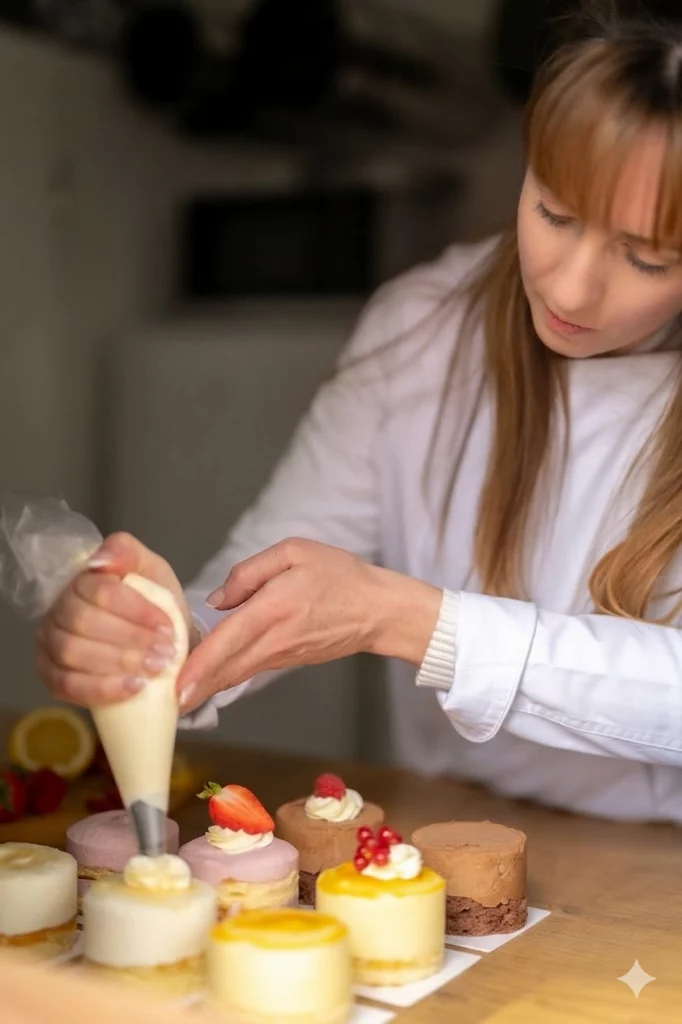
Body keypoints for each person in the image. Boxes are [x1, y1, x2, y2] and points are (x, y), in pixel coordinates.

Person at [37, 7, 682, 823]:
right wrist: (159, 637)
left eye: (645, 258)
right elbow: (275, 569)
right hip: (452, 828)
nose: (570, 288)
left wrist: (409, 620)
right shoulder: (422, 327)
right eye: (554, 214)